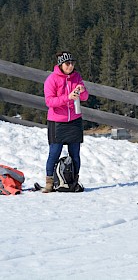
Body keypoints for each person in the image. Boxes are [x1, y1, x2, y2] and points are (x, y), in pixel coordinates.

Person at [42, 51, 89, 192]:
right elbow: (49, 101)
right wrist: (67, 97)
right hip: (57, 121)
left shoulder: (77, 77)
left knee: (75, 154)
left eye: (72, 63)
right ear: (61, 65)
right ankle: (49, 182)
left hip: (74, 120)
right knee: (54, 153)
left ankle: (74, 180)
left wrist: (82, 90)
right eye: (67, 63)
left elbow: (85, 97)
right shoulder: (52, 79)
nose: (70, 66)